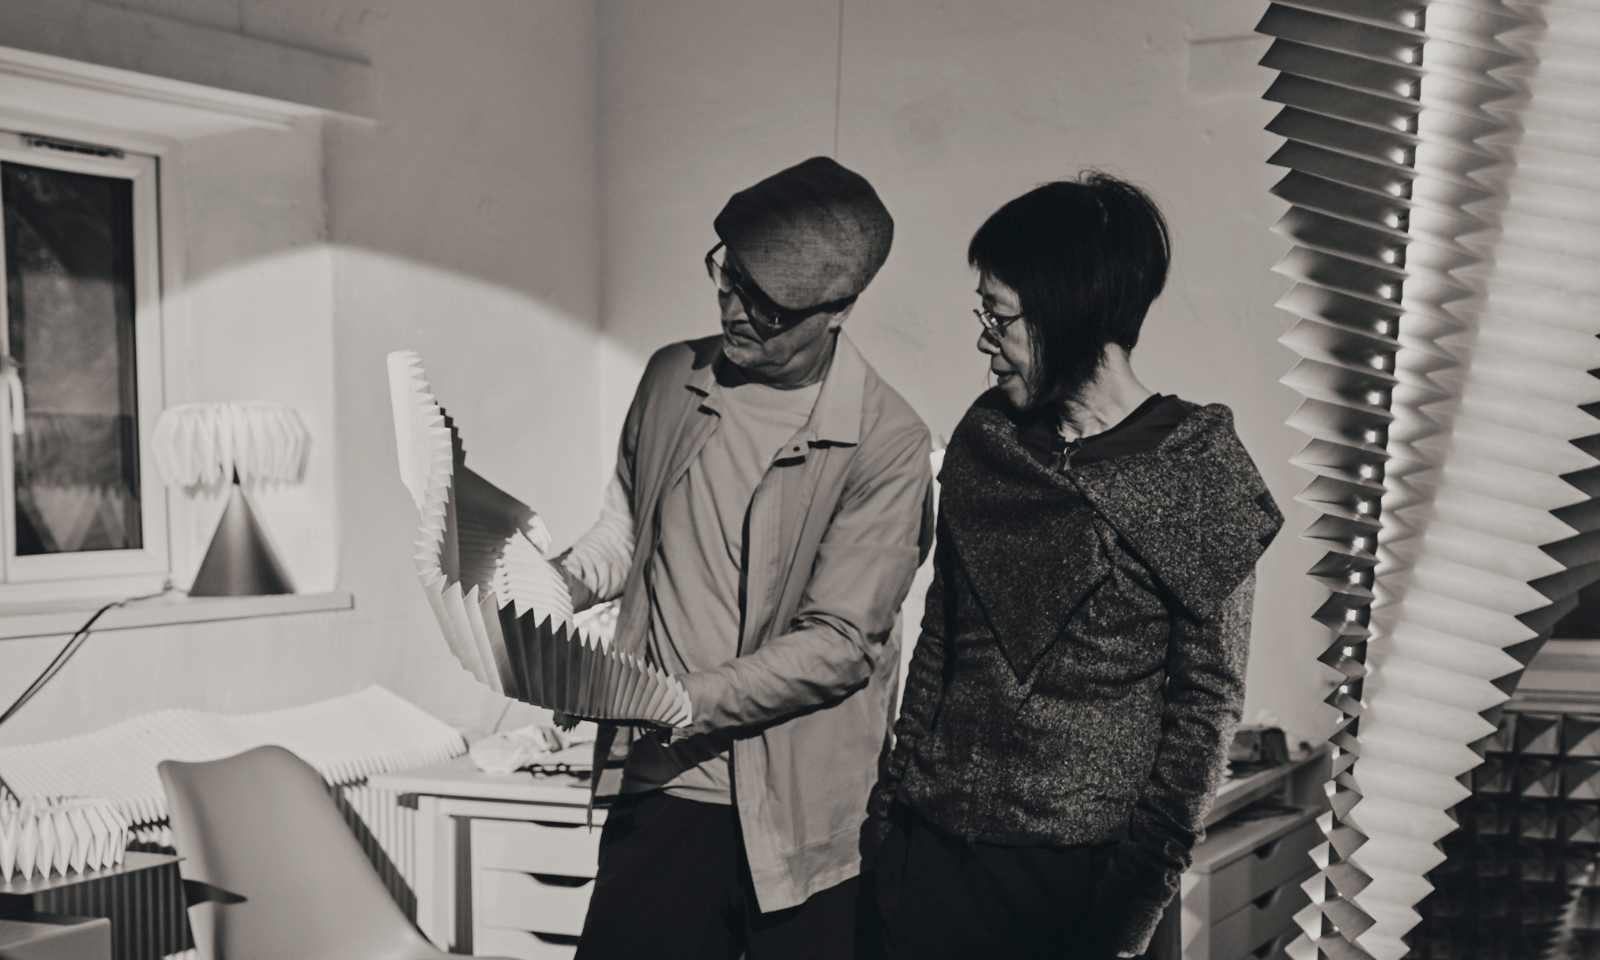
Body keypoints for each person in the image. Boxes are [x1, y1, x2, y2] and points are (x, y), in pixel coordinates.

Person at [862, 173, 1283, 960]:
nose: (984, 338)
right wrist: (888, 824)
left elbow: (1206, 709)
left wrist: (1130, 909)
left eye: (999, 315)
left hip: (1085, 889)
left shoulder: (1197, 467)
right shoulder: (988, 440)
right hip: (934, 861)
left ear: (1067, 312)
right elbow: (941, 641)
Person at [558, 156, 934, 960]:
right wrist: (557, 585)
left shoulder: (889, 440)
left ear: (838, 311)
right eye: (728, 276)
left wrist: (666, 700)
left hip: (801, 826)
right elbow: (627, 534)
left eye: (767, 305)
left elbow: (839, 645)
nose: (734, 308)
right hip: (660, 792)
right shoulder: (671, 376)